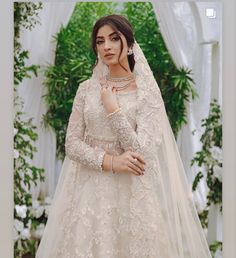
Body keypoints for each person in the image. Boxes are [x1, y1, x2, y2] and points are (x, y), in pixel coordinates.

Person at [36, 14, 212, 258]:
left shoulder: (147, 93)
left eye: (114, 39)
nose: (106, 46)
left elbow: (143, 153)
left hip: (132, 198)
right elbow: (72, 144)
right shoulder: (87, 89)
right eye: (100, 41)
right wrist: (111, 162)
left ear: (129, 44)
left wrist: (113, 110)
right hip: (88, 195)